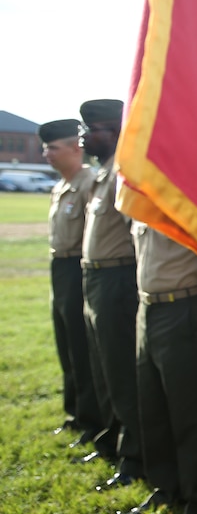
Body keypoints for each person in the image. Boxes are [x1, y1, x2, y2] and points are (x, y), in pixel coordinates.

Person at [116, 223, 197, 514]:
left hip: (183, 309)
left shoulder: (184, 196)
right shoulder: (143, 196)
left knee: (191, 413)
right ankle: (167, 488)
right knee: (154, 408)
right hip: (147, 310)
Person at [77, 99, 144, 490]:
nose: (84, 137)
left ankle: (136, 455)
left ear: (113, 132)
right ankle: (114, 443)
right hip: (96, 280)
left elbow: (138, 237)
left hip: (119, 282)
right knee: (103, 369)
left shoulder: (125, 173)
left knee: (121, 373)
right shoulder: (103, 174)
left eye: (92, 130)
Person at [40, 119, 99, 446]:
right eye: (45, 148)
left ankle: (91, 418)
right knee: (66, 344)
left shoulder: (88, 183)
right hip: (59, 268)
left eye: (53, 147)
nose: (46, 154)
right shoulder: (61, 186)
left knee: (81, 346)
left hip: (79, 268)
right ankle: (75, 413)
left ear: (76, 149)